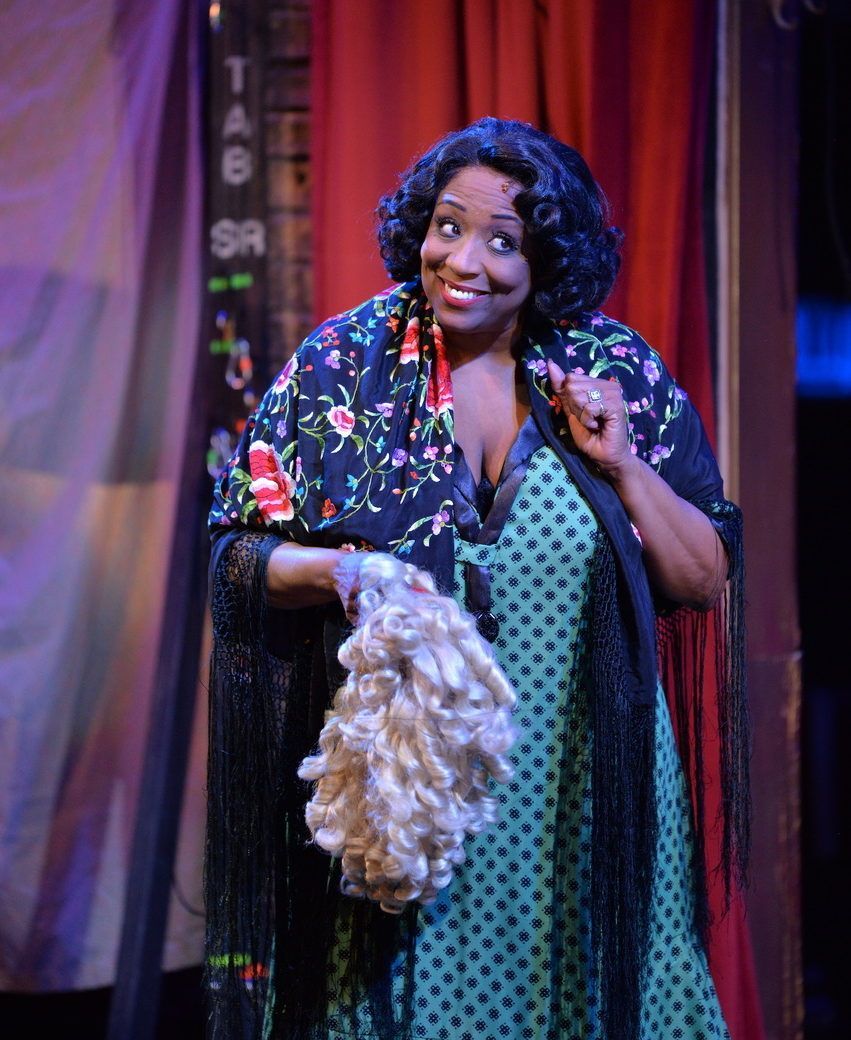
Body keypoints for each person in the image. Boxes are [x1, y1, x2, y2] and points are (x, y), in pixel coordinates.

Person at [206, 117, 748, 1040]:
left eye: (505, 242)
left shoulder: (611, 372)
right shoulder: (344, 369)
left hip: (582, 791)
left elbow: (702, 578)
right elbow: (236, 559)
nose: (464, 259)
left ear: (549, 260)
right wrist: (345, 567)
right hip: (413, 800)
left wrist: (620, 465)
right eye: (447, 226)